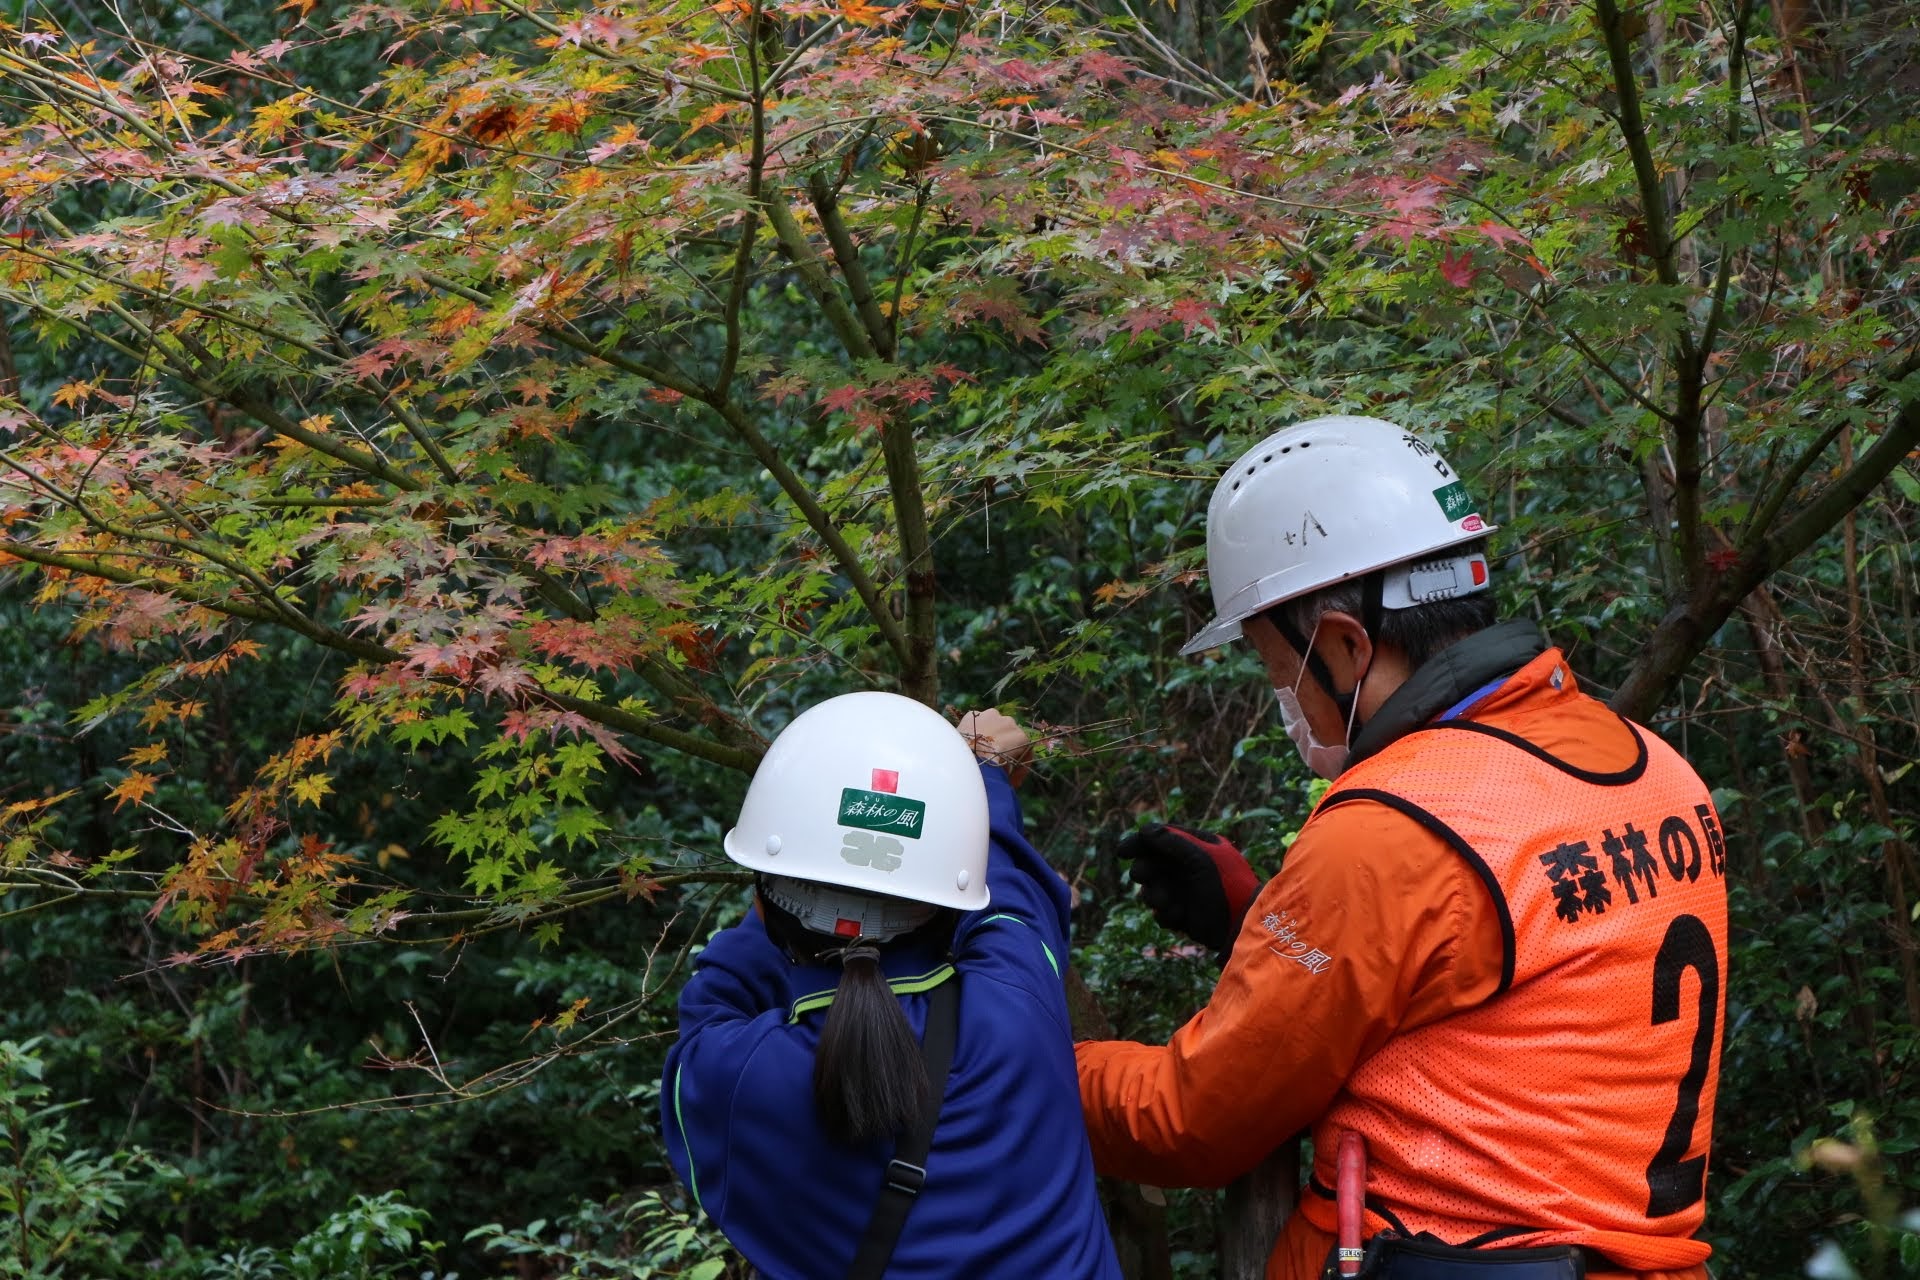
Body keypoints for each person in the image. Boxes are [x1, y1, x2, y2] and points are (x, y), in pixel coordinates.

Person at [1072, 415, 1728, 1280]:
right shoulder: (1655, 769)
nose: (1282, 698)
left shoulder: (1396, 827)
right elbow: (1495, 989)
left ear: (1344, 645)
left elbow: (1189, 1121)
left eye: (1277, 670)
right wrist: (1261, 921)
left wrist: (1016, 1051)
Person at [662, 691, 1123, 1280]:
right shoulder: (1020, 1002)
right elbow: (1010, 889)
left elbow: (721, 986)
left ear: (763, 894)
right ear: (953, 901)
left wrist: (816, 852)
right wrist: (980, 773)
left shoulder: (733, 1077)